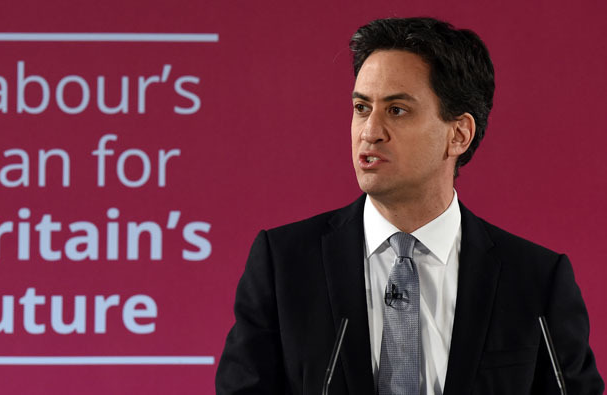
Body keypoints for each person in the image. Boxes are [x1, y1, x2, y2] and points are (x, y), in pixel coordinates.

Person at [215, 17, 604, 395]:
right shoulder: (284, 264)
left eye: (396, 110)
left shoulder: (536, 280)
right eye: (362, 108)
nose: (370, 132)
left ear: (458, 135)